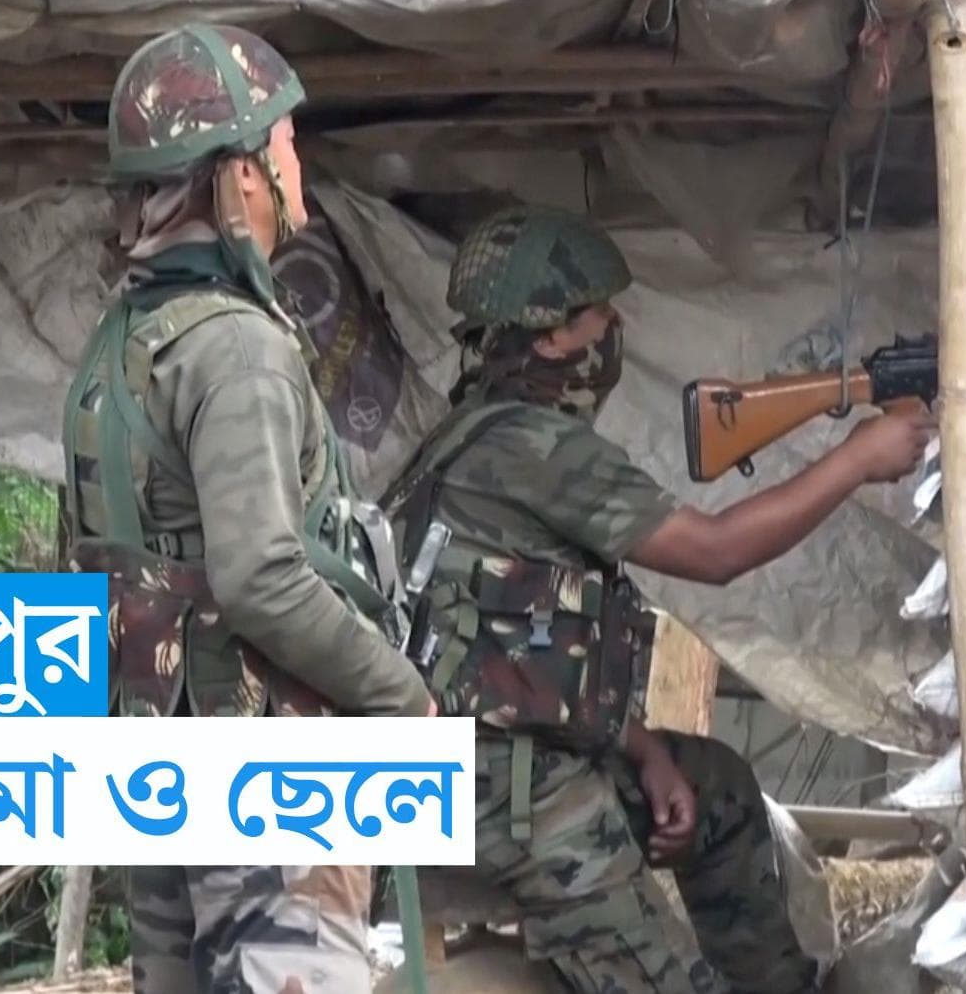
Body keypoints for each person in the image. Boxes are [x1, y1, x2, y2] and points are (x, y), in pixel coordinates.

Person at [381, 204, 936, 993]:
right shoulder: (534, 447)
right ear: (550, 337)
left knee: (716, 789)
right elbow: (714, 552)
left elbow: (518, 654)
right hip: (507, 794)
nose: (614, 328)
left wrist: (641, 751)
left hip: (509, 761)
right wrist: (857, 460)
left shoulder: (471, 434)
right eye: (599, 314)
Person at [59, 22, 435, 994]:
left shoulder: (121, 343)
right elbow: (261, 578)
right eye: (285, 143)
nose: (296, 166)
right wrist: (402, 697)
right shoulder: (234, 347)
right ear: (240, 177)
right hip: (265, 767)